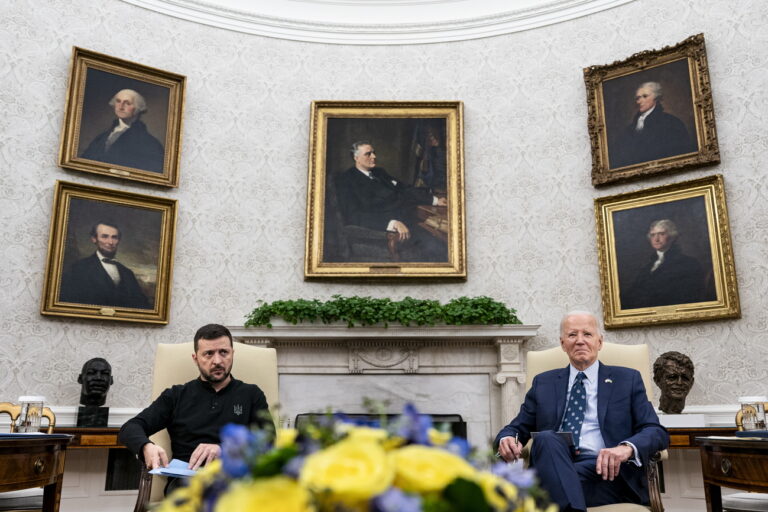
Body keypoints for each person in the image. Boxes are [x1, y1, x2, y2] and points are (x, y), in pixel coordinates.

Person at [495, 311, 668, 512]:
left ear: (599, 342)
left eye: (587, 334)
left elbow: (656, 431)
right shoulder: (544, 383)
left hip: (607, 475)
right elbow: (516, 428)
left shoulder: (627, 379)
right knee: (545, 438)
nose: (579, 341)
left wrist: (625, 448)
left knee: (533, 487)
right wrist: (507, 439)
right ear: (562, 344)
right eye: (572, 335)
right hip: (558, 463)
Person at [119, 324, 270, 495]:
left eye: (224, 352)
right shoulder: (175, 395)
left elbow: (268, 441)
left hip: (235, 480)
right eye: (208, 354)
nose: (218, 361)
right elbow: (130, 428)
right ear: (195, 358)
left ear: (232, 354)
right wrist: (146, 446)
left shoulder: (252, 394)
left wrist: (225, 449)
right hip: (187, 484)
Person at [333, 141, 448, 261]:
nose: (374, 156)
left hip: (408, 222)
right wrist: (392, 223)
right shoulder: (347, 180)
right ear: (356, 158)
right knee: (436, 248)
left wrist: (434, 200)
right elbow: (354, 215)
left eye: (374, 153)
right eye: (368, 154)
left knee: (442, 243)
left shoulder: (379, 173)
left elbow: (404, 189)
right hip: (383, 232)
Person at [621, 219, 714, 309]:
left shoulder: (688, 263)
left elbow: (687, 297)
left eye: (661, 234)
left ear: (672, 237)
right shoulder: (647, 266)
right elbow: (633, 293)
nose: (656, 239)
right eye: (653, 235)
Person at [59, 221, 151, 309]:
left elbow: (142, 306)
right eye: (104, 236)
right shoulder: (78, 268)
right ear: (94, 239)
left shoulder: (128, 273)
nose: (110, 242)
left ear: (118, 240)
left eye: (114, 237)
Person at [610, 82, 697, 168]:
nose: (639, 101)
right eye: (638, 98)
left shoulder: (672, 123)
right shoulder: (630, 128)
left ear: (656, 97)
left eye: (645, 96)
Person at [80, 88, 165, 173]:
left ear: (138, 108)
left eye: (127, 103)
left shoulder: (150, 143)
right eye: (118, 101)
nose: (121, 107)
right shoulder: (102, 137)